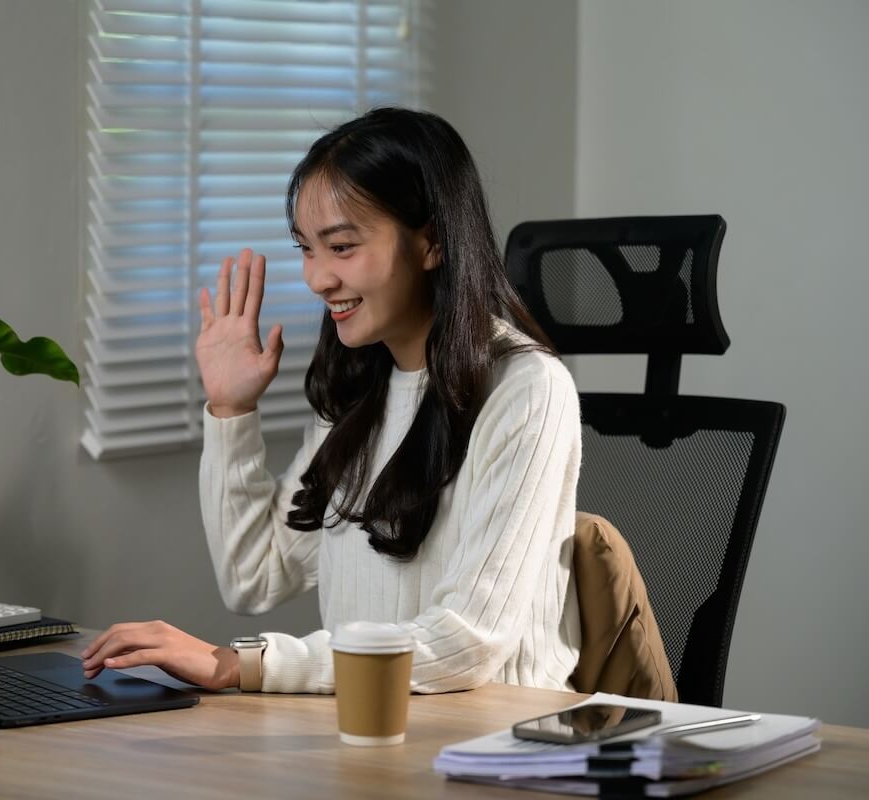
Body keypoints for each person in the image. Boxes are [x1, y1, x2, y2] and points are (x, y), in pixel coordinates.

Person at [82, 107, 582, 694]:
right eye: (307, 249)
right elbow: (255, 576)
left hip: (494, 745)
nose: (317, 278)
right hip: (367, 730)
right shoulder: (358, 390)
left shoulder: (526, 390)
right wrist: (230, 410)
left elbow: (466, 642)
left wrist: (246, 664)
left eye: (341, 247)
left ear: (432, 242)